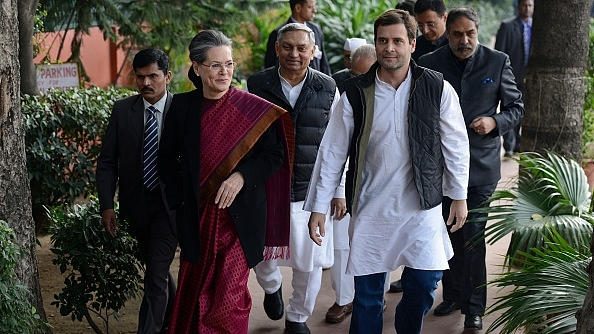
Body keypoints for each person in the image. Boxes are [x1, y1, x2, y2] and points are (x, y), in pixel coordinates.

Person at [305, 9, 470, 334]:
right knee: (367, 297)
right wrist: (319, 206)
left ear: (412, 43)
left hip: (421, 208)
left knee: (424, 283)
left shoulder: (437, 87)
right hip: (370, 209)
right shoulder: (355, 93)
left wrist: (459, 195)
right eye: (383, 41)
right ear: (376, 44)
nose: (389, 48)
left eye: (397, 41)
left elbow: (456, 143)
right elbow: (332, 151)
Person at [158, 30, 293, 333]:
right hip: (199, 219)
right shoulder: (182, 108)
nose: (225, 72)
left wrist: (241, 176)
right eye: (216, 65)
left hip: (240, 218)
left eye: (229, 65)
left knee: (228, 299)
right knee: (196, 292)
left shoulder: (252, 109)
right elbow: (166, 162)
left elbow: (274, 156)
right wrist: (181, 204)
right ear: (196, 67)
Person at [418, 6, 524, 330]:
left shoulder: (497, 61)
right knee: (448, 234)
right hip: (440, 167)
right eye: (457, 34)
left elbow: (516, 107)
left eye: (470, 34)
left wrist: (495, 121)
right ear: (447, 33)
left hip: (480, 167)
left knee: (473, 238)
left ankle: (474, 308)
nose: (464, 40)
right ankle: (452, 293)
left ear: (477, 31)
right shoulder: (429, 64)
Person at [248, 23, 340, 334]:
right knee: (262, 253)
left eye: (302, 48)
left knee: (308, 262)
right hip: (266, 187)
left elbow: (339, 144)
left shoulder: (328, 88)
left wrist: (337, 190)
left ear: (314, 52)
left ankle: (298, 317)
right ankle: (271, 286)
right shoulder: (256, 84)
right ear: (276, 48)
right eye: (287, 47)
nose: (294, 54)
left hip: (310, 190)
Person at [96, 48, 177, 334]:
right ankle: (174, 318)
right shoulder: (122, 110)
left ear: (166, 76)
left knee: (155, 274)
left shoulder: (183, 111)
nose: (146, 83)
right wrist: (107, 205)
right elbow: (107, 162)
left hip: (171, 209)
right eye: (140, 77)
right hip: (137, 207)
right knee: (157, 269)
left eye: (153, 76)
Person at [389, 0, 449, 294]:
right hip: (411, 161)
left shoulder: (445, 60)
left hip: (445, 151)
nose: (426, 31)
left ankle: (459, 295)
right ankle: (414, 274)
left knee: (454, 237)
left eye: (430, 24)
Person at [324, 44, 377, 325]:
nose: (361, 81)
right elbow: (337, 147)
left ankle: (372, 298)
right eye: (355, 74)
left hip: (386, 185)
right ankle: (344, 299)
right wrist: (340, 189)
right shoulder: (343, 91)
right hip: (350, 180)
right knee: (342, 242)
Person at [495, 0, 534, 157]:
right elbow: (500, 51)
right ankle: (509, 146)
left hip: (529, 77)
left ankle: (519, 143)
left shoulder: (536, 27)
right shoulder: (507, 26)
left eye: (530, 5)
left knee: (524, 111)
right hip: (510, 77)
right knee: (509, 109)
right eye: (524, 5)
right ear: (518, 6)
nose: (527, 8)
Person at [264, 0, 331, 75]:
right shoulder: (279, 33)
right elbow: (270, 66)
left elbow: (323, 63)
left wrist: (329, 83)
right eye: (310, 7)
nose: (314, 10)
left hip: (315, 84)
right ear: (298, 8)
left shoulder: (316, 30)